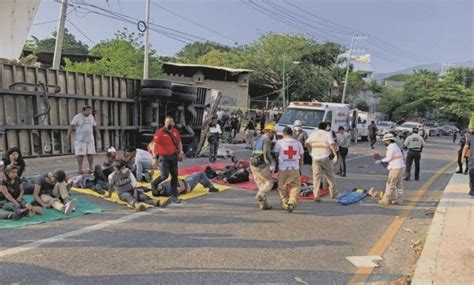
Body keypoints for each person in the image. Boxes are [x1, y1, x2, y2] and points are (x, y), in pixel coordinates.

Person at [150, 116, 184, 204]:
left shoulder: (175, 132)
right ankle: (154, 183)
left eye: (171, 122)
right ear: (164, 123)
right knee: (164, 175)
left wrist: (181, 152)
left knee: (175, 176)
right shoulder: (160, 133)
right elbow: (154, 145)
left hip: (173, 156)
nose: (169, 124)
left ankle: (174, 196)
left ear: (174, 123)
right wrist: (154, 158)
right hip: (164, 158)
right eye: (167, 122)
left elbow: (179, 142)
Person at [305, 122, 338, 202]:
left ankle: (316, 195)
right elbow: (332, 145)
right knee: (329, 175)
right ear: (326, 127)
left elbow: (306, 143)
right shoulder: (327, 134)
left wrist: (310, 151)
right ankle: (332, 193)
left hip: (315, 157)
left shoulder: (313, 134)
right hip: (325, 156)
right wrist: (335, 155)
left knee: (316, 177)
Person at [274, 127, 304, 213]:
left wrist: (277, 164)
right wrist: (300, 167)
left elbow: (276, 154)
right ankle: (292, 202)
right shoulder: (298, 143)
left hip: (283, 168)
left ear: (283, 134)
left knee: (282, 186)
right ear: (292, 134)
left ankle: (285, 202)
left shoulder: (279, 142)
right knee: (296, 186)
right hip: (294, 168)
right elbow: (301, 156)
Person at [250, 122, 276, 210]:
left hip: (253, 163)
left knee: (261, 185)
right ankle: (259, 195)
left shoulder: (259, 138)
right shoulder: (267, 140)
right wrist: (271, 163)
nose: (273, 134)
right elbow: (266, 153)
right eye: (273, 132)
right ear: (270, 132)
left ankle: (264, 205)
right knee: (269, 182)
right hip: (261, 164)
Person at [374, 133, 406, 205]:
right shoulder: (395, 146)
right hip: (401, 167)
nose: (384, 142)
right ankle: (399, 199)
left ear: (388, 140)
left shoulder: (391, 147)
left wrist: (381, 161)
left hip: (395, 168)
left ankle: (386, 200)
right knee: (399, 185)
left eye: (385, 141)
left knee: (390, 184)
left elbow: (389, 158)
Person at [67, 105, 100, 174]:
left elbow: (95, 126)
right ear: (83, 111)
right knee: (80, 154)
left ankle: (91, 168)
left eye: (90, 110)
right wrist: (68, 134)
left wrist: (97, 134)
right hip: (80, 140)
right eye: (87, 110)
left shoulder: (91, 117)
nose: (89, 112)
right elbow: (71, 125)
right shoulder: (77, 117)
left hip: (90, 139)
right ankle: (80, 169)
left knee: (90, 154)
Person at [153, 171, 218, 197]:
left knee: (194, 174)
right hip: (187, 185)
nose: (158, 185)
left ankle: (203, 182)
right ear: (160, 192)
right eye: (157, 187)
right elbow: (182, 188)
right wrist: (176, 178)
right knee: (201, 174)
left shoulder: (162, 186)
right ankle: (211, 187)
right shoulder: (168, 192)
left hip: (184, 181)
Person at [461, 127, 473, 195]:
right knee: (471, 173)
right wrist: (462, 157)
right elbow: (465, 148)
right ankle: (472, 189)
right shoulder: (470, 138)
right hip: (472, 159)